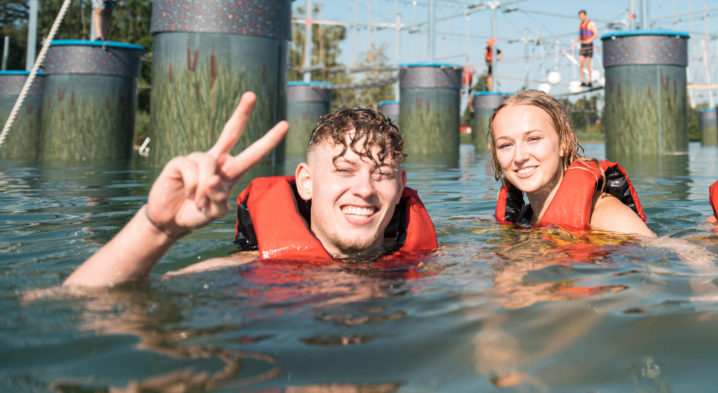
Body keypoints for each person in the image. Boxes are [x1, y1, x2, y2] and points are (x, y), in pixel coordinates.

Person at [63, 95, 437, 287]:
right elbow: (75, 304)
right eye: (344, 170)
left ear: (400, 186)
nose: (365, 189)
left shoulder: (438, 267)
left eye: (381, 174)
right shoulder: (246, 271)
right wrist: (156, 230)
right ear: (306, 182)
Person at [489, 90, 654, 236]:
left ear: (564, 143)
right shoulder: (523, 220)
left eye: (533, 139)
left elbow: (658, 254)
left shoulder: (608, 216)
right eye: (506, 145)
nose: (519, 157)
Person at [574, 10, 598, 87]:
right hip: (583, 45)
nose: (581, 17)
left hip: (589, 45)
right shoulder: (580, 25)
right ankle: (583, 81)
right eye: (580, 16)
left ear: (585, 15)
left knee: (588, 63)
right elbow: (581, 36)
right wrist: (576, 42)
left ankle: (590, 81)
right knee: (581, 63)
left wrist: (590, 39)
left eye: (582, 16)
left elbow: (596, 34)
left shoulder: (591, 23)